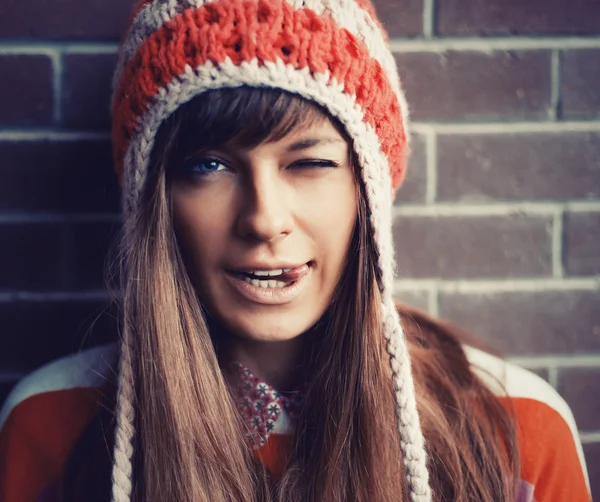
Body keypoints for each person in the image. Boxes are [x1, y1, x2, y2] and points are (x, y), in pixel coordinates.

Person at [0, 1, 592, 501]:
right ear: (150, 197)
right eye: (208, 165)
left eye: (309, 162)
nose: (264, 219)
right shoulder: (51, 424)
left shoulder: (517, 427)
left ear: (368, 193)